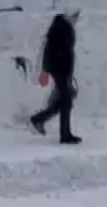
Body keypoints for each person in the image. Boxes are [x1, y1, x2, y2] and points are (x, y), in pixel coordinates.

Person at [30, 12, 81, 145]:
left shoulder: (61, 28)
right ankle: (64, 134)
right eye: (74, 17)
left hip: (62, 71)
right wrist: (47, 70)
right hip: (60, 71)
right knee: (66, 101)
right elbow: (53, 51)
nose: (76, 20)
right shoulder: (61, 29)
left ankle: (39, 119)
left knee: (64, 101)